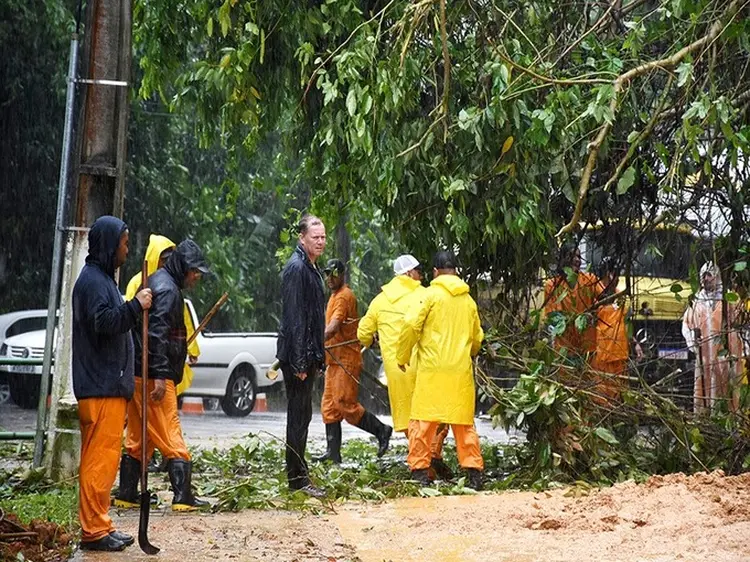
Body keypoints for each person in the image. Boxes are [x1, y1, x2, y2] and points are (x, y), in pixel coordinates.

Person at [72, 215, 152, 551]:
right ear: (109, 244)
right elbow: (104, 321)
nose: (127, 249)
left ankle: (101, 524)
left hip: (107, 385)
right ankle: (93, 531)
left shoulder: (103, 279)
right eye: (123, 243)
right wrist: (136, 305)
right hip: (100, 386)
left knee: (104, 461)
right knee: (98, 461)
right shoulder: (92, 281)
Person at [115, 240, 210, 511]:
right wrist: (158, 375)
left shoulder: (157, 281)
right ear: (182, 267)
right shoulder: (168, 290)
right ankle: (183, 496)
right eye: (194, 272)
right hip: (154, 376)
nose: (196, 277)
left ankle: (127, 493)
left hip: (137, 373)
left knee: (138, 434)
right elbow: (155, 334)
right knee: (170, 432)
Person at [358, 254, 452, 479]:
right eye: (418, 271)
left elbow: (362, 333)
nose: (421, 275)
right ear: (409, 273)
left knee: (410, 418)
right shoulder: (425, 294)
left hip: (397, 369)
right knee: (434, 415)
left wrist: (373, 340)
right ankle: (430, 459)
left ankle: (422, 463)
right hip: (425, 364)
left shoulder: (380, 301)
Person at [396, 251, 485, 490]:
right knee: (463, 424)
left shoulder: (429, 296)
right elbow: (477, 339)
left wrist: (401, 355)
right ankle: (474, 472)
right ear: (456, 271)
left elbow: (410, 325)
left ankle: (419, 471)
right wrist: (469, 352)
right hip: (460, 372)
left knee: (423, 424)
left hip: (432, 371)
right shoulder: (468, 301)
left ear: (435, 272)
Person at [315, 259, 392, 464]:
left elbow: (333, 327)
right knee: (329, 408)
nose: (330, 279)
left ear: (342, 275)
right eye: (327, 275)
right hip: (333, 360)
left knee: (345, 405)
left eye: (333, 274)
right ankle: (333, 453)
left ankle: (382, 430)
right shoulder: (333, 296)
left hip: (346, 360)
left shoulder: (344, 297)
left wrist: (314, 342)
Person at [276, 215, 327, 497]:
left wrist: (317, 358)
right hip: (297, 356)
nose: (320, 242)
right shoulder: (296, 269)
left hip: (307, 354)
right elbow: (294, 318)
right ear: (302, 238)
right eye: (315, 237)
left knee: (304, 415)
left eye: (322, 237)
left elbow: (313, 317)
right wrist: (299, 362)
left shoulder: (310, 267)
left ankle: (299, 473)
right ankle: (296, 479)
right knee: (298, 416)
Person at [681, 262, 743, 413]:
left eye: (709, 275)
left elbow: (743, 325)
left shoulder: (730, 299)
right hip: (704, 359)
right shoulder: (696, 301)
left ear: (717, 276)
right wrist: (693, 341)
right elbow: (687, 325)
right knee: (704, 393)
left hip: (726, 358)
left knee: (727, 394)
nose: (705, 279)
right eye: (703, 275)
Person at [544, 242, 601, 358]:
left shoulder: (589, 280)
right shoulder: (552, 285)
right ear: (563, 260)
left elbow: (606, 298)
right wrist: (574, 319)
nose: (577, 260)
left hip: (588, 348)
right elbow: (552, 317)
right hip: (564, 350)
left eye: (579, 257)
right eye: (572, 256)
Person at [590, 261, 631, 402]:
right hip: (601, 354)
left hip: (619, 354)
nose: (618, 279)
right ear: (609, 274)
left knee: (618, 394)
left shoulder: (620, 295)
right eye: (617, 274)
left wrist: (635, 344)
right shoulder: (595, 293)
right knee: (601, 395)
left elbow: (625, 322)